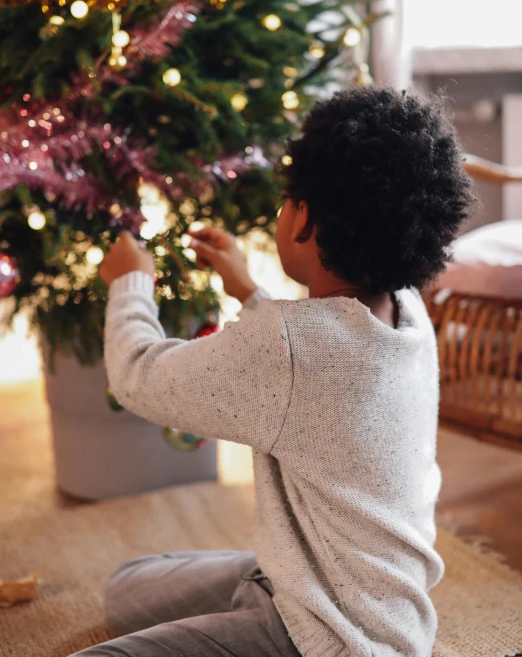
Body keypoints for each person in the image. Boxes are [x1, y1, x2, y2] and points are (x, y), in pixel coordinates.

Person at [73, 87, 473, 657]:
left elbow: (137, 374)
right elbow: (319, 376)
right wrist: (245, 288)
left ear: (305, 220)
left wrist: (130, 283)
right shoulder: (408, 313)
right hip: (344, 588)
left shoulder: (289, 348)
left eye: (289, 199)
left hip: (323, 639)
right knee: (126, 589)